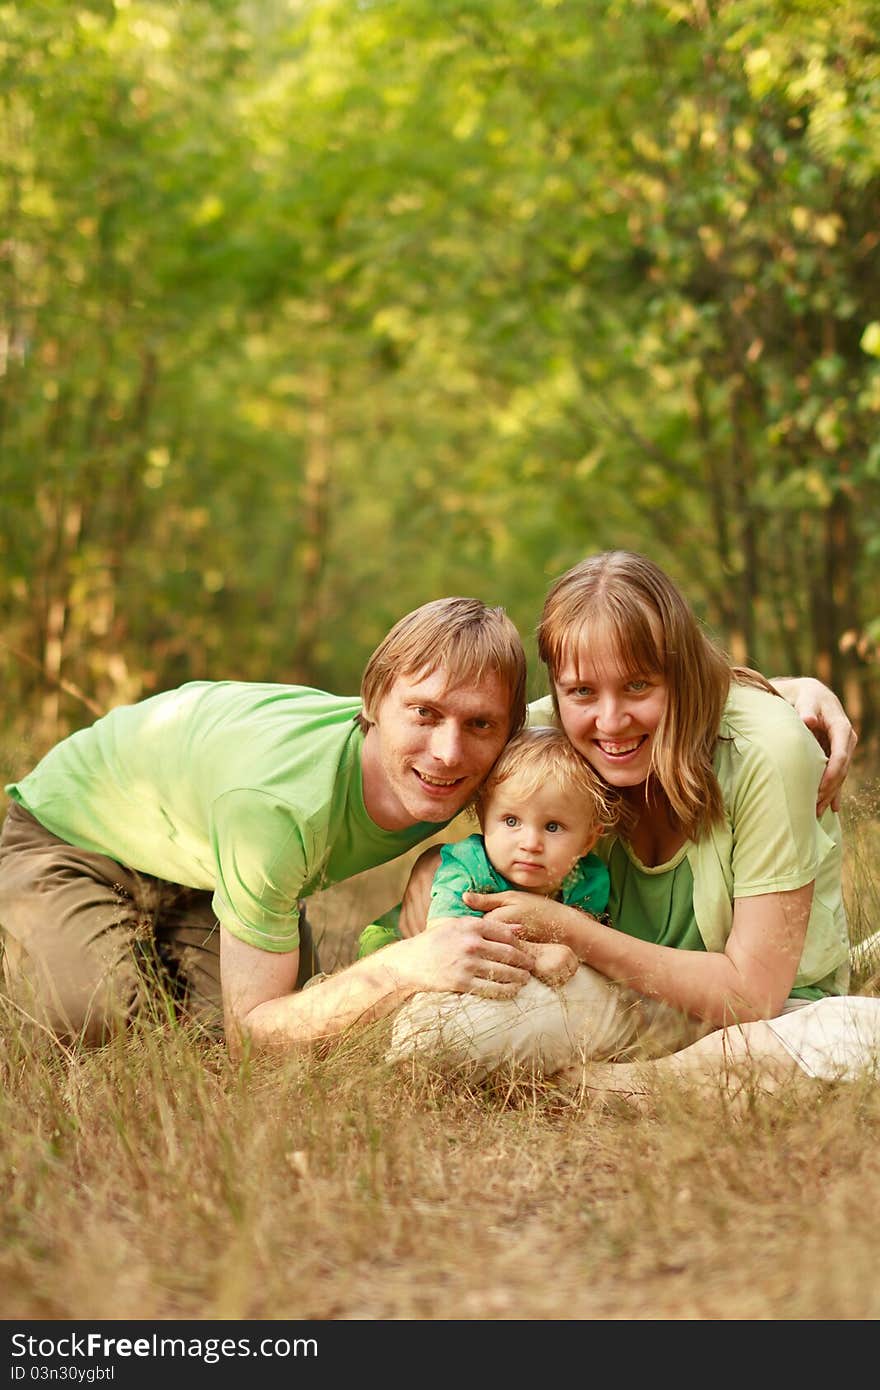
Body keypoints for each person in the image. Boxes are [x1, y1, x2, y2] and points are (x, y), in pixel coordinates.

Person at [386, 551, 874, 1088]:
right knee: (440, 1032)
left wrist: (572, 931)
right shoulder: (551, 739)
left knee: (857, 1033)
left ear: (680, 673)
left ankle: (611, 1089)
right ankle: (667, 1077)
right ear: (558, 689)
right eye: (581, 692)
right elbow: (444, 769)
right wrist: (434, 866)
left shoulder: (768, 753)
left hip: (770, 1015)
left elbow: (753, 995)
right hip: (621, 994)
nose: (611, 722)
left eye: (638, 686)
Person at [0, 597, 535, 1054]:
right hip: (74, 836)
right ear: (373, 703)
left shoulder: (495, 758)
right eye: (424, 713)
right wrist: (406, 966)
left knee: (249, 1041)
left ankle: (143, 952)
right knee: (94, 1019)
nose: (447, 753)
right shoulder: (282, 808)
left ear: (508, 732)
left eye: (480, 724)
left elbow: (589, 720)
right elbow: (253, 1033)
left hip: (201, 869)